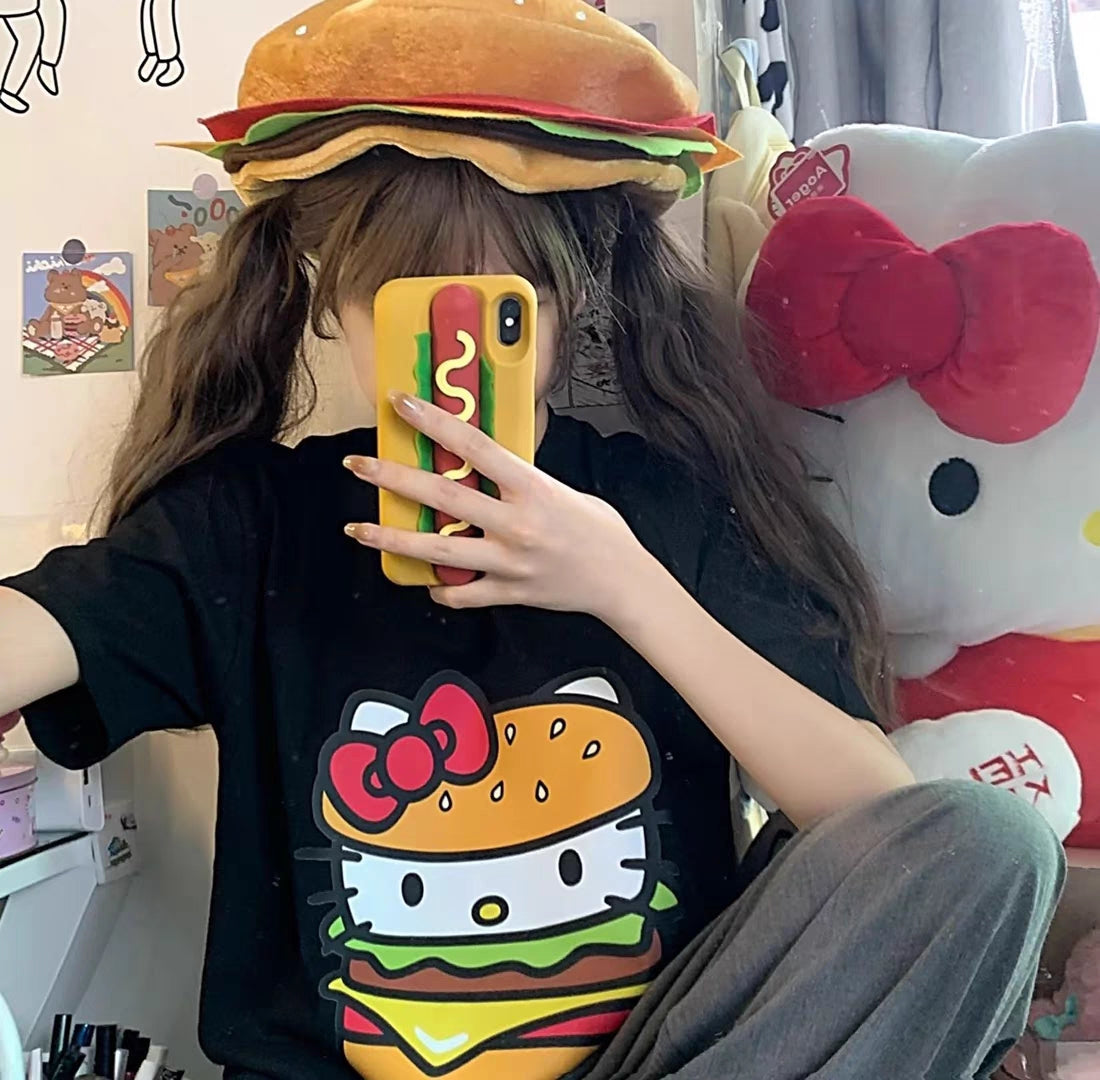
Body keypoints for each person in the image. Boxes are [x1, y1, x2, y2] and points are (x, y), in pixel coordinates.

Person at [0, 3, 1063, 1079]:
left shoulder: (659, 509)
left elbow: (891, 828)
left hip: (654, 1060)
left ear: (566, 309)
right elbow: (38, 629)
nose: (451, 361)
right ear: (333, 307)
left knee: (995, 842)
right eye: (409, 306)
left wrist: (623, 585)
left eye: (501, 310)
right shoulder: (248, 523)